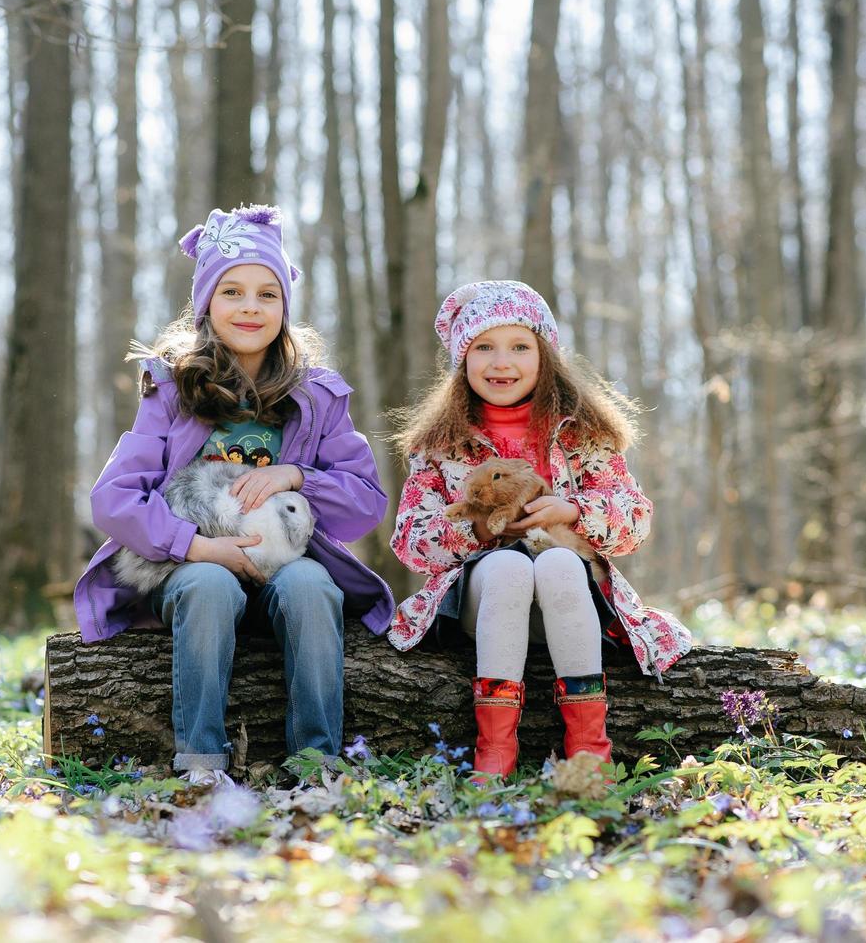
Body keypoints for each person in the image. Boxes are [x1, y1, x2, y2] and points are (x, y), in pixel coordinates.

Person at [73, 205, 394, 784]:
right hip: (193, 566)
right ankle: (201, 763)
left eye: (267, 294)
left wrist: (296, 475)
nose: (250, 307)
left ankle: (316, 762)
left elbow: (366, 499)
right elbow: (114, 499)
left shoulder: (316, 397)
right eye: (233, 291)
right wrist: (195, 547)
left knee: (313, 586)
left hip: (284, 565)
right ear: (206, 304)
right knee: (210, 585)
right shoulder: (172, 388)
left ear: (285, 308)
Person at [388, 280, 692, 777]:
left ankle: (590, 749)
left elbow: (634, 520)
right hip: (487, 604)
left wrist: (570, 511)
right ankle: (495, 750)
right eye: (483, 347)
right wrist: (484, 530)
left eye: (519, 347)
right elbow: (411, 542)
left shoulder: (581, 431)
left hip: (573, 601)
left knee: (556, 562)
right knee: (507, 566)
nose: (500, 362)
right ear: (463, 361)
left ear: (544, 356)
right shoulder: (443, 444)